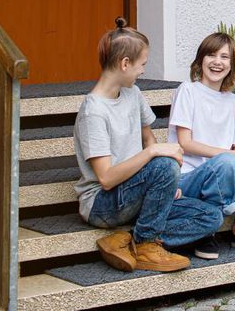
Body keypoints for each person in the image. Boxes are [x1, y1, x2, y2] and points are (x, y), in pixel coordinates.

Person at [74, 19, 222, 272]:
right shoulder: (93, 112)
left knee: (211, 216)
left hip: (137, 195)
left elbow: (148, 138)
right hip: (103, 203)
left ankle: (127, 240)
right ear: (124, 64)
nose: (143, 71)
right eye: (142, 64)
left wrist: (166, 184)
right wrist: (155, 155)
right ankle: (145, 245)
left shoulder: (133, 94)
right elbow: (107, 178)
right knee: (164, 163)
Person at [168, 32, 235, 259]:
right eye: (211, 55)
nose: (217, 62)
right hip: (188, 177)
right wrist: (228, 155)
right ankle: (206, 231)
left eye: (224, 57)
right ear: (200, 60)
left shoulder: (234, 101)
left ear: (232, 64)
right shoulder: (188, 90)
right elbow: (185, 143)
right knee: (226, 160)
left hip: (222, 172)